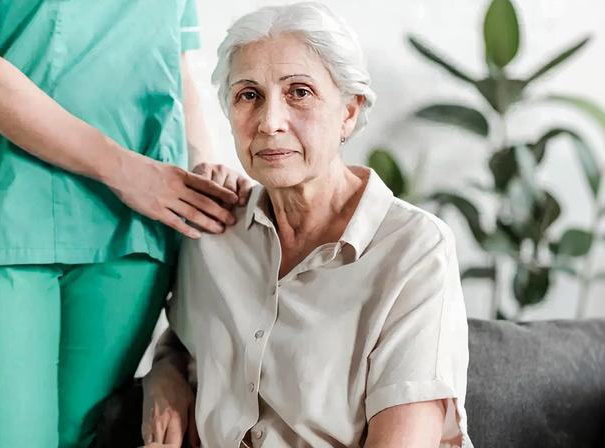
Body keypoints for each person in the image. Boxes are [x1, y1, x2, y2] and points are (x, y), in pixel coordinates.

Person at [0, 0, 250, 446]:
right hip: (9, 212)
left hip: (135, 226)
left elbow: (176, 62)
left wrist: (202, 166)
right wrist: (125, 172)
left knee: (90, 437)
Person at [141, 3, 472, 447]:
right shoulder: (215, 232)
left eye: (299, 92)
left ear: (349, 113)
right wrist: (164, 375)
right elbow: (189, 336)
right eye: (248, 95)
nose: (270, 122)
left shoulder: (414, 250)